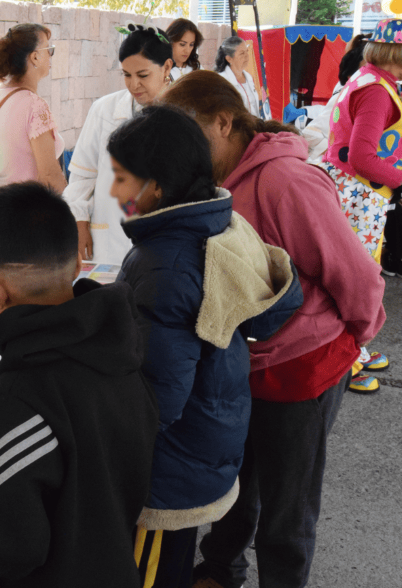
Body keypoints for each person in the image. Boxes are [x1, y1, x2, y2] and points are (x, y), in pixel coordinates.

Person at [162, 70, 386, 588]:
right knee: (237, 483)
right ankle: (221, 570)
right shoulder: (215, 179)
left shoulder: (286, 181)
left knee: (287, 509)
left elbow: (355, 275)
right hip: (242, 368)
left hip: (303, 370)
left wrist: (354, 338)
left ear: (224, 123)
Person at [108, 105, 302, 588]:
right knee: (169, 562)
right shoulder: (207, 226)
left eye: (121, 178)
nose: (113, 191)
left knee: (151, 571)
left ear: (157, 186)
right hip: (201, 438)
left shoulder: (167, 263)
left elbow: (157, 400)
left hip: (168, 462)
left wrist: (98, 438)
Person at [0, 181, 159, 588]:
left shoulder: (18, 394)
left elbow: (6, 548)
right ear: (77, 265)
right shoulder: (120, 351)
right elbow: (86, 457)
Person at [320, 19, 402, 393]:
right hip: (360, 195)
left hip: (351, 191)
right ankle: (346, 362)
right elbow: (363, 157)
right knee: (356, 281)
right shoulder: (377, 92)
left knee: (353, 276)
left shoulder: (368, 77)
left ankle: (356, 349)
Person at [63, 23, 173, 265]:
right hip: (108, 236)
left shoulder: (184, 113)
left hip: (163, 238)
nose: (133, 85)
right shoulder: (104, 109)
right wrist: (80, 221)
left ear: (166, 67)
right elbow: (83, 175)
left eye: (142, 75)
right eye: (126, 75)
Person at [0, 23, 66, 194]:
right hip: (24, 207)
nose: (50, 55)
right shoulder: (34, 106)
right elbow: (50, 177)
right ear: (35, 57)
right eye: (49, 49)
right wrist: (73, 207)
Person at [302, 33, 370, 162]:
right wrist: (337, 153)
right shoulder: (349, 92)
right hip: (333, 164)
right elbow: (310, 134)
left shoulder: (353, 88)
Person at [214, 37, 260, 118]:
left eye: (247, 51)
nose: (247, 56)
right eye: (242, 53)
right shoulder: (222, 81)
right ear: (229, 59)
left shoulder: (248, 77)